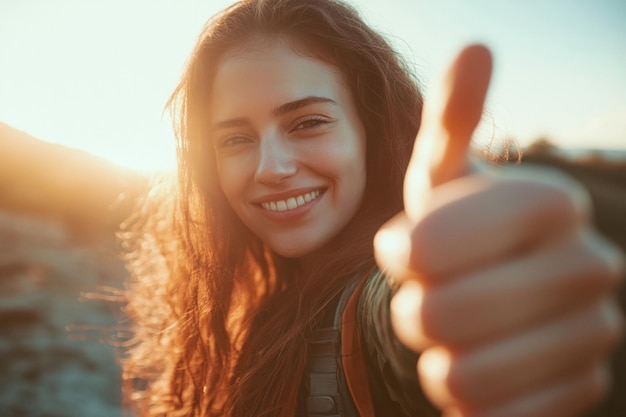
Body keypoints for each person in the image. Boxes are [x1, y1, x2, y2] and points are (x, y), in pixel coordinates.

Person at [120, 0, 625, 416]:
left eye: (308, 122)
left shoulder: (379, 297)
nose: (270, 167)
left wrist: (498, 271)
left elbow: (397, 319)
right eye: (235, 139)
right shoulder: (260, 305)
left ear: (372, 130)